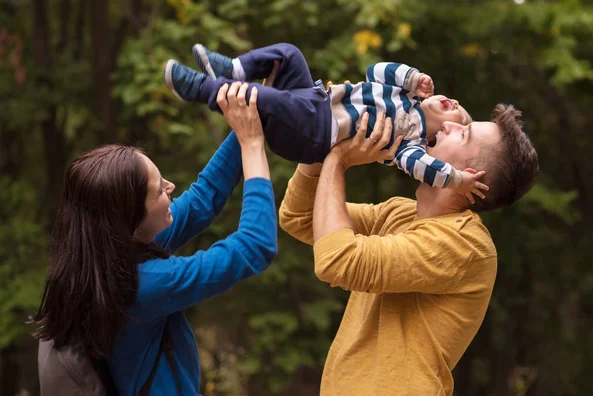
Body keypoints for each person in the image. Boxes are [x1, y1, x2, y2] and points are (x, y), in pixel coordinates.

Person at [31, 83, 277, 395]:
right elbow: (255, 246)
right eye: (159, 189)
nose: (171, 186)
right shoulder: (138, 288)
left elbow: (204, 197)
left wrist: (253, 119)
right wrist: (253, 146)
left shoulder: (107, 256)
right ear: (132, 217)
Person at [278, 104, 539, 395]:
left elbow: (337, 261)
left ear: (466, 175)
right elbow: (300, 217)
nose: (449, 125)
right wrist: (329, 133)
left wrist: (338, 160)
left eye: (463, 134)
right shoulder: (400, 213)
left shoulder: (465, 243)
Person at [163, 43, 489, 203]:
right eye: (455, 103)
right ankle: (233, 69)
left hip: (313, 133)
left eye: (456, 119)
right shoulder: (406, 94)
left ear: (437, 137)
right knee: (290, 54)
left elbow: (427, 170)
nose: (453, 105)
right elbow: (374, 70)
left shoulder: (408, 145)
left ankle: (203, 89)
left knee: (268, 99)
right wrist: (412, 76)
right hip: (317, 98)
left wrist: (458, 180)